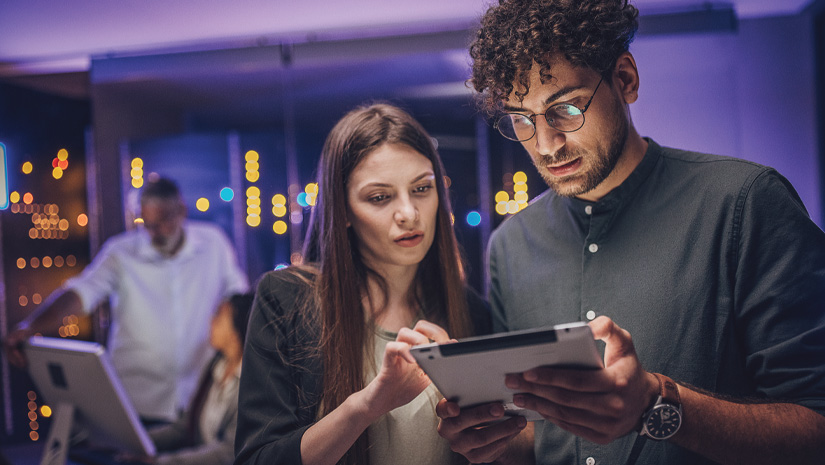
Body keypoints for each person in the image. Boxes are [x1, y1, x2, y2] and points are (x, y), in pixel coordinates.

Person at [434, 1, 825, 465]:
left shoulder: (746, 202)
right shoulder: (510, 246)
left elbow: (816, 427)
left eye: (566, 108)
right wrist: (488, 439)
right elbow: (545, 439)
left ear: (625, 80)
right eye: (522, 119)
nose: (545, 144)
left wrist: (655, 402)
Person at [234, 103, 491, 465]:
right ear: (344, 212)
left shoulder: (470, 311)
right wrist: (367, 406)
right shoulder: (287, 300)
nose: (408, 213)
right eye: (380, 197)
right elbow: (257, 459)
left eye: (421, 188)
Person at [3, 176, 249, 423]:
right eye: (147, 224)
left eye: (162, 222)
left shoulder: (213, 243)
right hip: (137, 402)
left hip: (200, 399)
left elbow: (237, 298)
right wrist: (30, 327)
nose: (154, 233)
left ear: (181, 211)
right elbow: (80, 293)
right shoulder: (120, 252)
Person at [145, 292, 254, 465]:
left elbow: (228, 452)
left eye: (219, 315)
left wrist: (162, 462)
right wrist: (138, 442)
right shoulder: (215, 366)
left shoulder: (252, 382)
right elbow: (184, 427)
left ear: (236, 332)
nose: (211, 320)